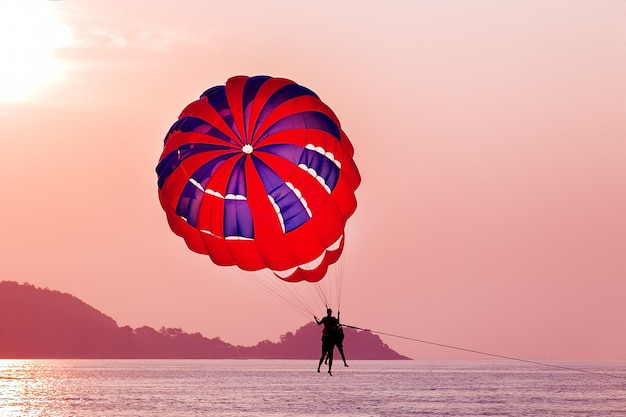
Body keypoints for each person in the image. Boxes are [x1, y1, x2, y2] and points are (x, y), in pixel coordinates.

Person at [314, 308, 340, 375]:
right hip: (330, 340)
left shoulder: (325, 319)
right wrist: (338, 315)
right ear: (330, 312)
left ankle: (319, 368)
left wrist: (315, 319)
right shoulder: (333, 319)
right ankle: (328, 370)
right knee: (330, 356)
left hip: (326, 339)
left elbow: (319, 323)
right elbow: (338, 323)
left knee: (323, 355)